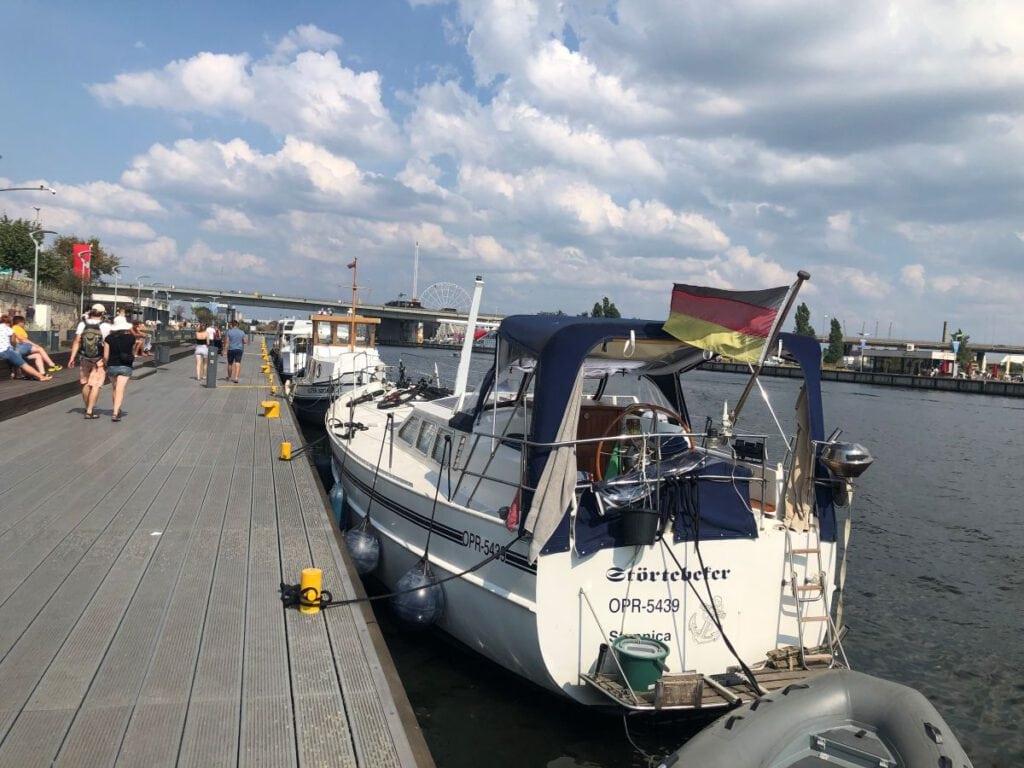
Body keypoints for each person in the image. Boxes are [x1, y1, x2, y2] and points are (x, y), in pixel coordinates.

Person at [68, 304, 111, 418]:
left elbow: (77, 341)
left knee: (86, 384)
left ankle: (88, 407)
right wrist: (106, 361)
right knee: (95, 385)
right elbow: (107, 345)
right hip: (99, 360)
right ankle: (89, 411)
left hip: (84, 358)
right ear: (102, 313)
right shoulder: (105, 326)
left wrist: (72, 357)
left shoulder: (82, 324)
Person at [0, 315, 52, 381]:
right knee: (24, 364)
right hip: (6, 350)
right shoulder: (9, 329)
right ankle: (41, 377)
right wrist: (14, 346)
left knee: (19, 358)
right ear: (9, 323)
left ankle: (17, 374)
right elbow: (13, 341)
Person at [104, 315, 135, 421]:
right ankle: (115, 412)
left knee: (115, 388)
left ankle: (116, 409)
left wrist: (105, 364)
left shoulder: (108, 338)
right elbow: (132, 351)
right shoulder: (131, 338)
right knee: (120, 389)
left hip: (112, 366)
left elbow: (105, 356)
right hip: (125, 366)